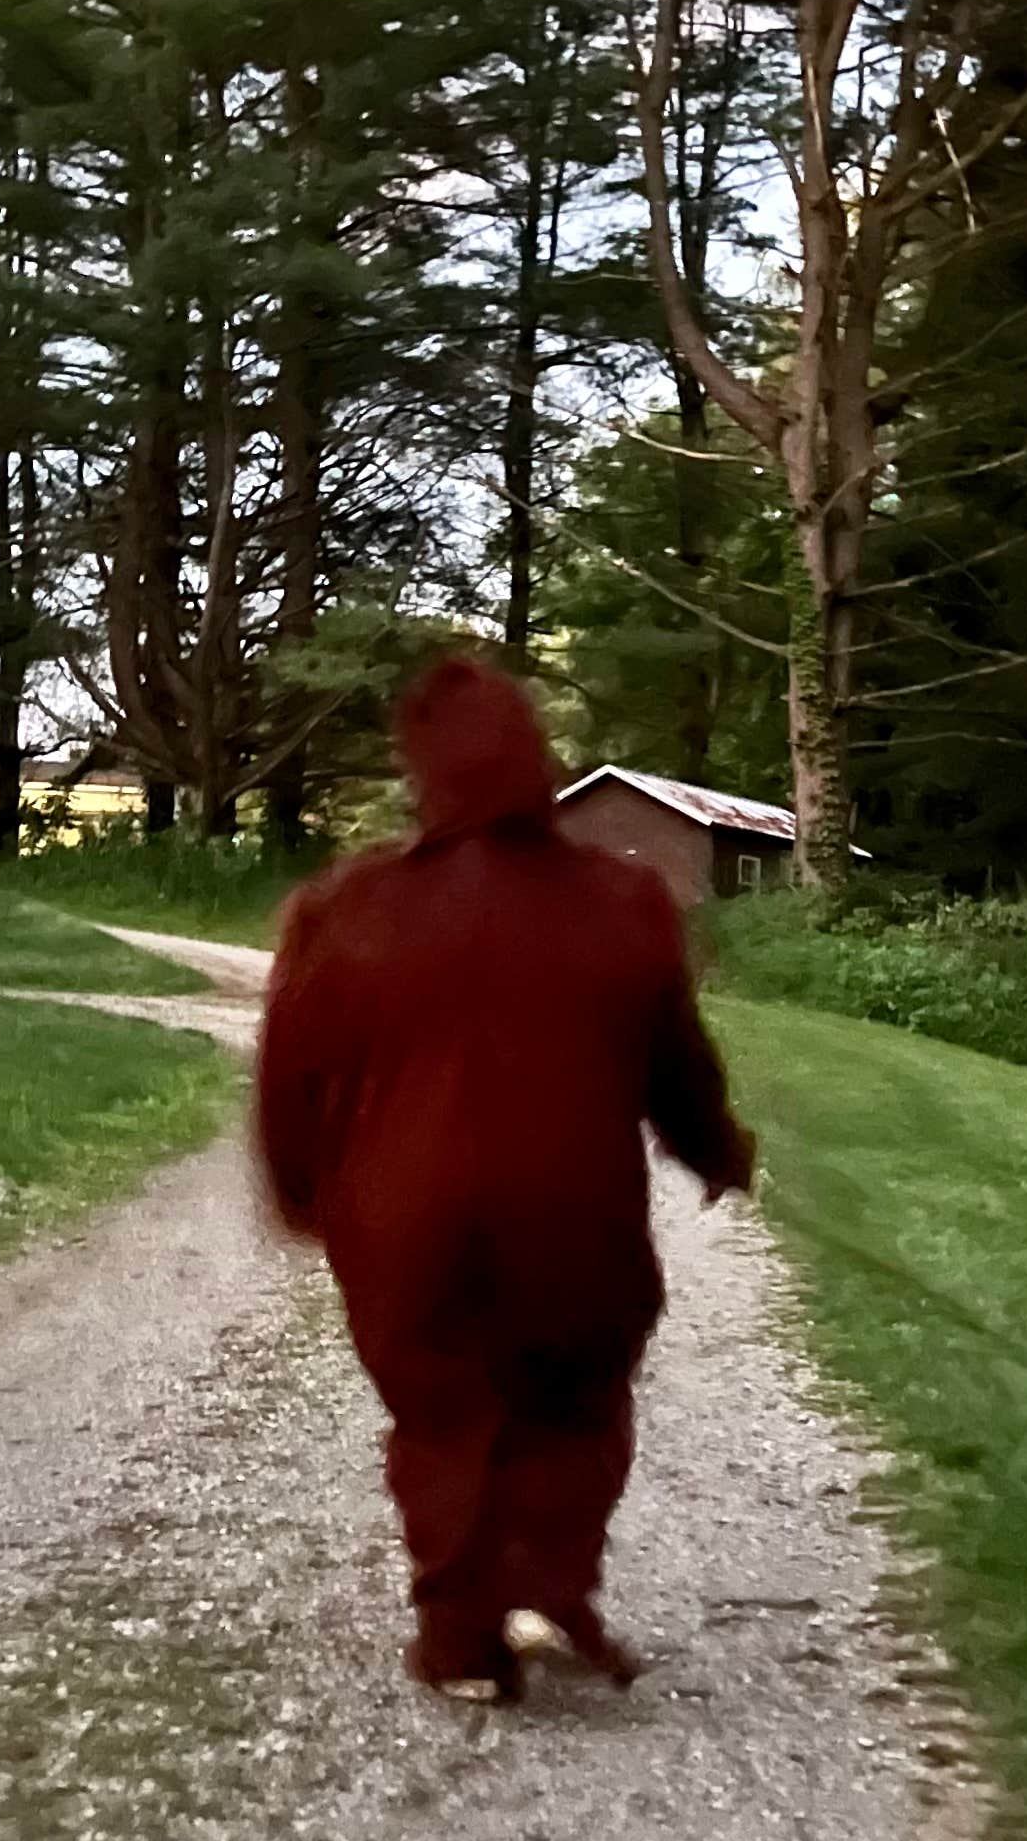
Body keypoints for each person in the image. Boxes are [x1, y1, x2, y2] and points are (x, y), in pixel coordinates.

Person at [255, 652, 757, 1699]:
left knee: (441, 1413)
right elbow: (674, 1063)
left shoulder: (349, 909)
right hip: (573, 1214)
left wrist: (302, 1188)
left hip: (405, 1226)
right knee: (574, 1394)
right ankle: (541, 1581)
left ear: (422, 772)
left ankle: (460, 1642)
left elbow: (292, 1078)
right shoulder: (623, 902)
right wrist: (716, 1151)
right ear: (536, 761)